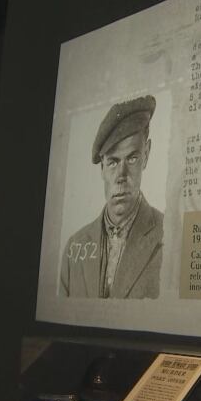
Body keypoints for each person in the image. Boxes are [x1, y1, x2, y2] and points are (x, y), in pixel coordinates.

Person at [60, 95, 163, 299]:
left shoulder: (169, 237)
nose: (121, 177)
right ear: (102, 168)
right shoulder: (75, 246)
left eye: (132, 158)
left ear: (147, 154)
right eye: (113, 162)